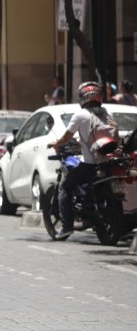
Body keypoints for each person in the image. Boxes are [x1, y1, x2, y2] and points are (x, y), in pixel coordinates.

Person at [47, 81, 117, 240]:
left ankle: (66, 227)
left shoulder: (80, 115)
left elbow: (66, 137)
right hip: (108, 163)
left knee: (65, 186)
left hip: (90, 165)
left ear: (82, 98)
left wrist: (56, 143)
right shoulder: (106, 112)